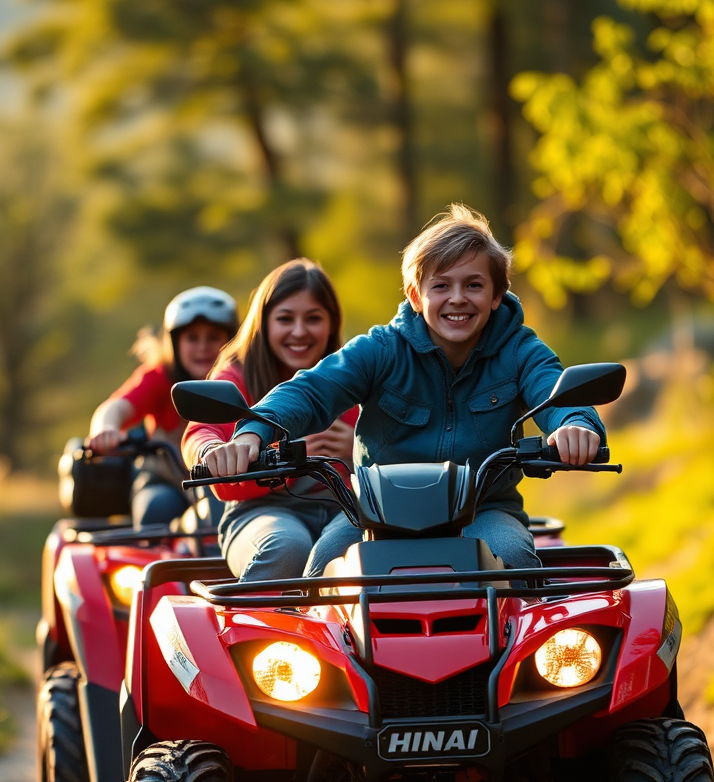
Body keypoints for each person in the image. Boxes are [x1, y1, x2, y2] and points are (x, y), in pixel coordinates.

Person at [201, 204, 606, 574]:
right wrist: (254, 433)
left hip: (484, 510)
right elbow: (311, 390)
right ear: (415, 295)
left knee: (514, 560)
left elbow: (557, 391)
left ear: (498, 294)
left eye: (475, 285)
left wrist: (574, 425)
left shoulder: (520, 350)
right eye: (441, 286)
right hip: (376, 516)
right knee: (324, 568)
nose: (458, 299)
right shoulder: (380, 349)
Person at [182, 260, 357, 581]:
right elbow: (202, 431)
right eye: (285, 319)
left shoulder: (352, 372)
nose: (299, 331)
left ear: (332, 324)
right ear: (263, 322)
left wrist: (357, 447)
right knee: (286, 546)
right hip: (264, 511)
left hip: (344, 507)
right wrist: (212, 452)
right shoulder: (239, 374)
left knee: (360, 549)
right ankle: (254, 630)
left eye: (314, 318)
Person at [88, 286, 239, 527]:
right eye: (192, 338)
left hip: (228, 482)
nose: (203, 346)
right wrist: (105, 429)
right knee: (155, 508)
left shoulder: (242, 379)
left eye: (213, 337)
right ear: (173, 343)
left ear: (232, 341)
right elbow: (116, 407)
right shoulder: (160, 377)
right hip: (165, 480)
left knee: (230, 516)